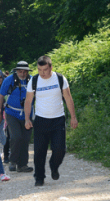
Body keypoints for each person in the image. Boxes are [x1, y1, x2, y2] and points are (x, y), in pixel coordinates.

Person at [24, 55, 78, 187]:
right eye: (39, 69)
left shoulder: (60, 79)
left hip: (58, 119)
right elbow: (28, 101)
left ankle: (54, 166)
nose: (42, 73)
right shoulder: (34, 81)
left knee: (60, 149)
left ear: (51, 67)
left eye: (45, 69)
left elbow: (68, 98)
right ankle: (39, 177)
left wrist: (73, 117)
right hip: (41, 119)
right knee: (39, 151)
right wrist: (27, 119)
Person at [0, 61, 34, 173]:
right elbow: (0, 97)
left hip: (27, 114)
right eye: (20, 71)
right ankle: (13, 161)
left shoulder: (32, 81)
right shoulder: (9, 80)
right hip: (11, 113)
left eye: (24, 71)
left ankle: (22, 165)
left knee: (26, 139)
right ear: (16, 71)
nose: (22, 74)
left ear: (28, 71)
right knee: (16, 136)